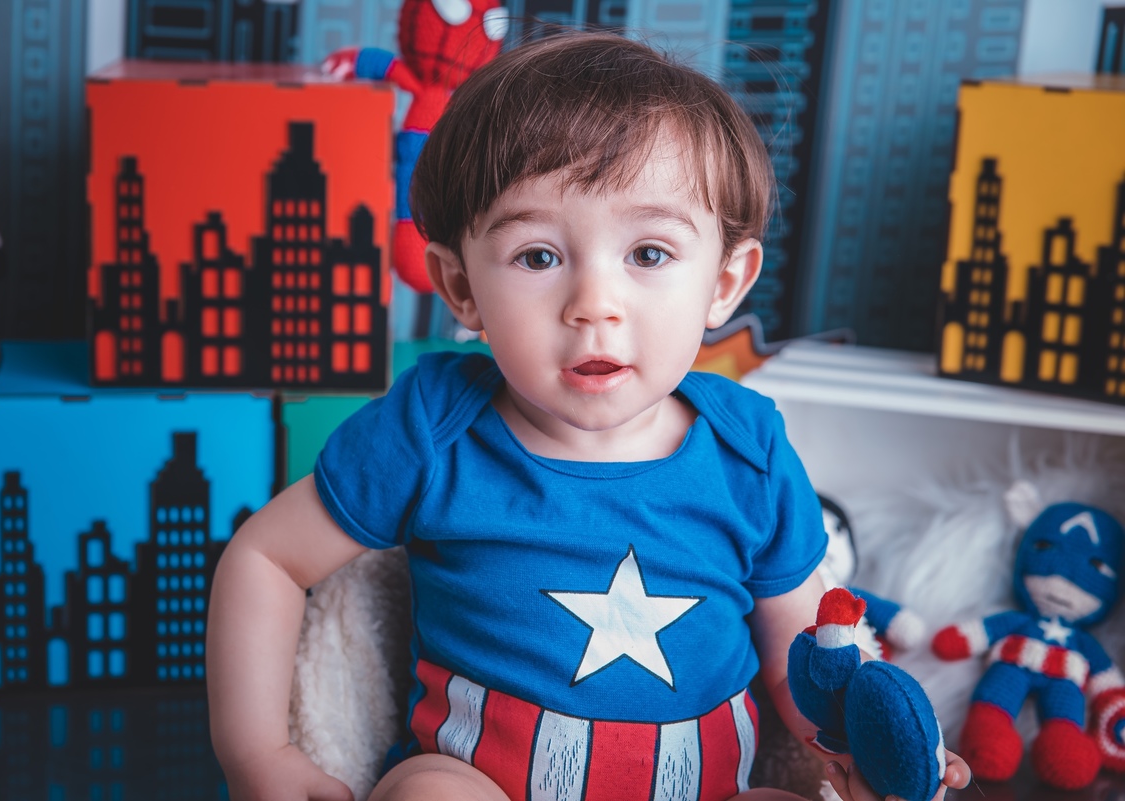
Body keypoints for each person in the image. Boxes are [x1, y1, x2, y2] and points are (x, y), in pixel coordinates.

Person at [206, 31, 970, 801]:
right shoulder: (434, 429)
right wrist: (258, 752)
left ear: (723, 282)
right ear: (461, 288)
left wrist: (872, 757)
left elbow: (800, 661)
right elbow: (267, 558)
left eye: (649, 254)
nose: (594, 305)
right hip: (483, 779)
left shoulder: (747, 449)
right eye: (538, 256)